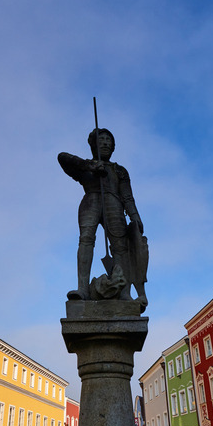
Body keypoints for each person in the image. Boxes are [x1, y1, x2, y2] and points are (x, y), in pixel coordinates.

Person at [58, 128, 147, 305]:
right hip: (91, 200)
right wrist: (89, 166)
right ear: (93, 144)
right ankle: (83, 289)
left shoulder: (119, 170)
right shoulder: (86, 167)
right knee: (86, 240)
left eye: (109, 140)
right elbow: (62, 157)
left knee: (120, 247)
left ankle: (124, 293)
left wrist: (134, 215)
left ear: (113, 146)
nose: (106, 143)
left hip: (114, 202)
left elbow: (127, 196)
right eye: (102, 140)